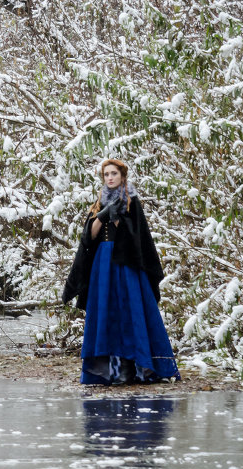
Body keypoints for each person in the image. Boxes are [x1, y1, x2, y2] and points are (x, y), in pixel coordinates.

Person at [62, 159, 179, 385]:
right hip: (102, 265)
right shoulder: (98, 204)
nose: (110, 178)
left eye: (114, 173)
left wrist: (118, 220)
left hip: (126, 264)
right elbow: (89, 237)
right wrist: (103, 215)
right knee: (105, 312)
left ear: (122, 176)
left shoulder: (131, 202)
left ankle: (132, 366)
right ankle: (107, 369)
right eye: (106, 174)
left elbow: (137, 237)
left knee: (129, 312)